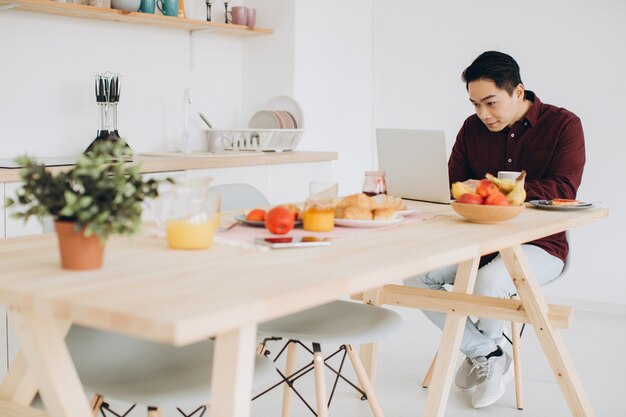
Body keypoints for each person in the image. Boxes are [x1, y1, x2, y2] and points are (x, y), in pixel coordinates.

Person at [405, 51, 585, 408]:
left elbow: (564, 189)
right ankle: (487, 352)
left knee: (489, 283)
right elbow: (453, 184)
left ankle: (478, 353)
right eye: (475, 104)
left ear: (518, 92)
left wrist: (494, 189)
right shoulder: (472, 129)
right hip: (477, 242)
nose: (483, 114)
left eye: (491, 102)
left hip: (541, 246)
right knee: (414, 276)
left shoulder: (564, 124)